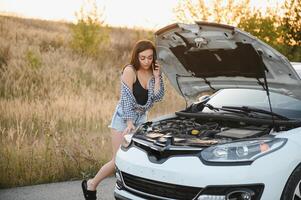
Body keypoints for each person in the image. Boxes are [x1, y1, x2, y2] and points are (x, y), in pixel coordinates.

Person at [81, 39, 164, 200]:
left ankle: (135, 193)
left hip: (142, 119)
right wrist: (129, 122)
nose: (147, 61)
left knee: (139, 159)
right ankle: (91, 184)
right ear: (136, 56)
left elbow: (158, 97)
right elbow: (125, 99)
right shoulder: (130, 70)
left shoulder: (154, 72)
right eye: (143, 58)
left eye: (150, 57)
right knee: (118, 159)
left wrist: (158, 77)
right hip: (123, 118)